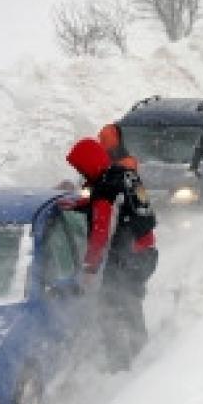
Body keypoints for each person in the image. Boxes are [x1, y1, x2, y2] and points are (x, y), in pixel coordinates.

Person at [65, 138, 158, 371]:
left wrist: (90, 268)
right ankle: (143, 354)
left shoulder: (106, 187)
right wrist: (83, 205)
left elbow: (100, 234)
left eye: (80, 168)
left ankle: (118, 367)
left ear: (89, 164)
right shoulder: (125, 175)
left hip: (128, 258)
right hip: (146, 252)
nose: (81, 173)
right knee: (130, 302)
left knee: (107, 307)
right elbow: (122, 205)